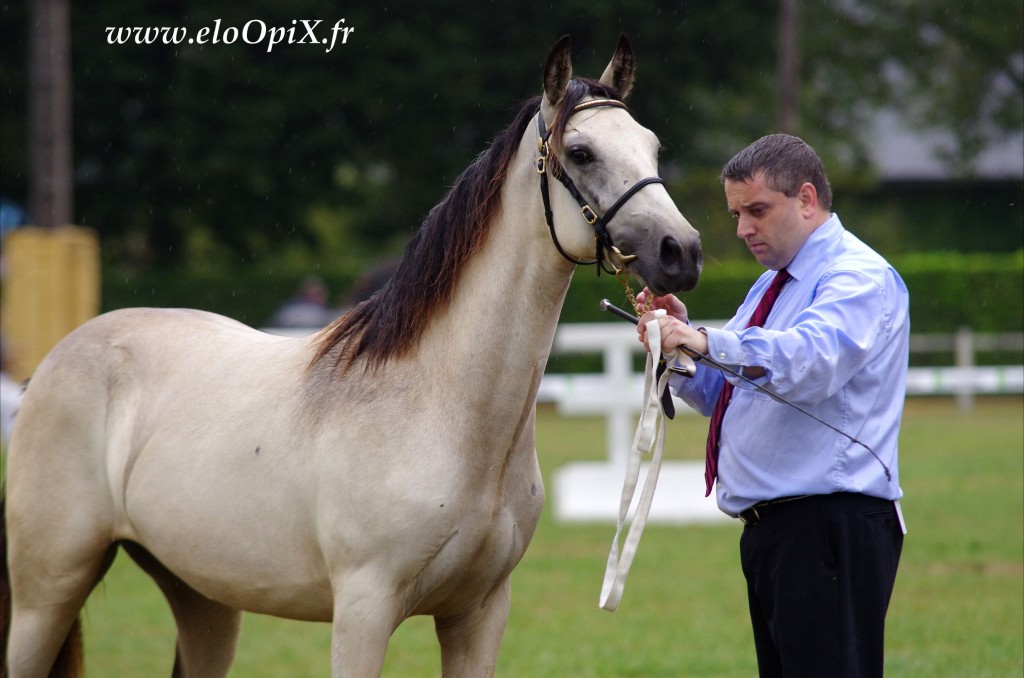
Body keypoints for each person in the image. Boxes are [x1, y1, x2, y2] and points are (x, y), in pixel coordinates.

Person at [637, 133, 909, 677]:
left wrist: (707, 341)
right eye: (736, 213)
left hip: (830, 523)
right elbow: (722, 393)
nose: (742, 229)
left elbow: (812, 360)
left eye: (757, 210)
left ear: (807, 199)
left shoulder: (857, 276)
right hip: (776, 533)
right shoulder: (773, 286)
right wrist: (677, 340)